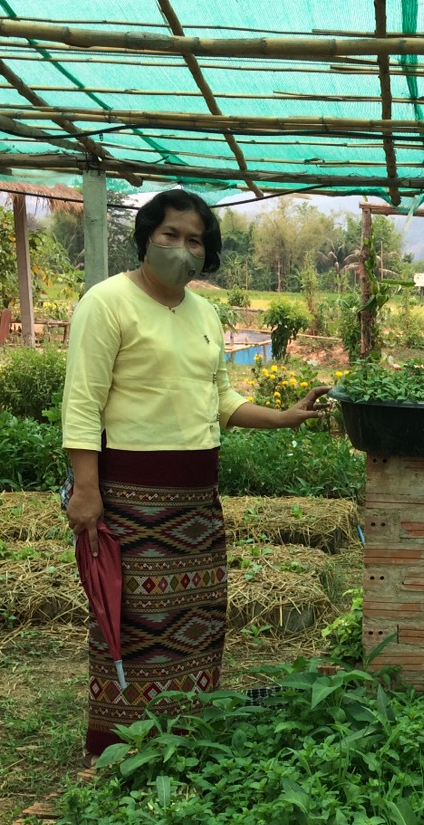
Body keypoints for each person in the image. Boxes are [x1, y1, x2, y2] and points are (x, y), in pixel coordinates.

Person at [61, 188, 330, 757]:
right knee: (135, 617)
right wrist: (86, 490)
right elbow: (82, 403)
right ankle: (123, 741)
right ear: (146, 237)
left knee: (198, 617)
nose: (182, 248)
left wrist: (283, 416)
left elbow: (221, 398)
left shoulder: (204, 312)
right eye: (170, 235)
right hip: (131, 494)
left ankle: (187, 731)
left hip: (196, 499)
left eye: (195, 240)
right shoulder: (106, 303)